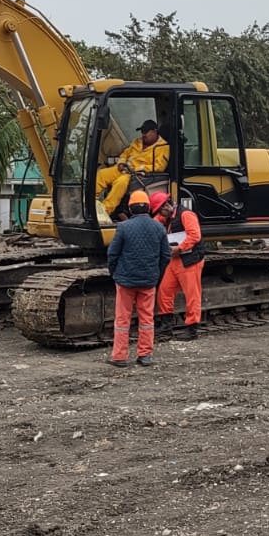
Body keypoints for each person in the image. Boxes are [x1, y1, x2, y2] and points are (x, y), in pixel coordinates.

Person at [105, 189, 169, 368]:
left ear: (131, 208)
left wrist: (114, 273)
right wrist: (157, 275)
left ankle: (119, 356)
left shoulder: (123, 227)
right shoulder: (159, 227)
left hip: (125, 281)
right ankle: (145, 355)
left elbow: (112, 254)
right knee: (147, 319)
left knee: (122, 320)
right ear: (148, 208)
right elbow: (165, 255)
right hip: (148, 281)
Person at [151, 190, 203, 341]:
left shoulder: (186, 214)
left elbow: (195, 235)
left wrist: (179, 248)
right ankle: (166, 326)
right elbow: (156, 221)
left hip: (190, 260)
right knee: (164, 291)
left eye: (159, 211)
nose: (159, 214)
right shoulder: (166, 216)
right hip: (175, 259)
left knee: (192, 295)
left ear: (166, 206)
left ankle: (192, 329)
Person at [94, 120, 170, 217]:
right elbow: (125, 154)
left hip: (137, 174)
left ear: (155, 131)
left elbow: (159, 166)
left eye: (146, 132)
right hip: (124, 168)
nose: (143, 134)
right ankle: (91, 202)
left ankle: (105, 210)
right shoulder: (137, 142)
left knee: (120, 183)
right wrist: (121, 163)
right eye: (142, 132)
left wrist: (136, 169)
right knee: (101, 174)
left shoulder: (163, 147)